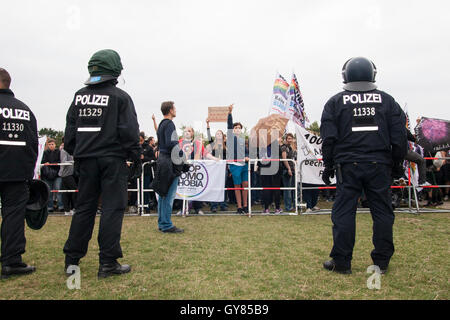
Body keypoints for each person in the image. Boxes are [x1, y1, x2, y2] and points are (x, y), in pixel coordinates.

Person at [320, 57, 407, 274]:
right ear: (373, 75)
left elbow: (328, 139)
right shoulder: (388, 101)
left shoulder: (335, 102)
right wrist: (397, 165)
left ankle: (341, 262)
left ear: (345, 76)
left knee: (344, 212)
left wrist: (328, 165)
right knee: (382, 212)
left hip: (348, 165)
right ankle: (382, 262)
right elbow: (399, 139)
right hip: (380, 165)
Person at [63, 49, 141, 278]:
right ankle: (107, 263)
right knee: (112, 208)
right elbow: (129, 132)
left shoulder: (79, 96)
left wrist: (81, 152)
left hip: (85, 160)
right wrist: (135, 157)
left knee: (84, 209)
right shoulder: (120, 97)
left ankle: (72, 261)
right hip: (112, 161)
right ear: (115, 69)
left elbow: (69, 135)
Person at [0, 68, 39, 279]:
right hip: (16, 172)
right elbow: (33, 144)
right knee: (14, 216)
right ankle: (11, 261)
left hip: (15, 170)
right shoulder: (25, 110)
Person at [151, 101, 185, 233]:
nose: (175, 110)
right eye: (174, 108)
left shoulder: (161, 124)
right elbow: (173, 144)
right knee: (169, 195)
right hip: (170, 162)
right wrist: (182, 157)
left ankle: (162, 222)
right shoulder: (170, 124)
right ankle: (166, 224)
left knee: (163, 194)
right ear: (170, 110)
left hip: (162, 161)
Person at [227, 104, 250, 214]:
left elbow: (246, 152)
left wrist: (247, 156)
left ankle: (245, 206)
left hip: (244, 165)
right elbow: (229, 125)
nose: (237, 129)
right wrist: (230, 113)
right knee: (237, 186)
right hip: (235, 165)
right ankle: (239, 207)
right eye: (236, 128)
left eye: (239, 128)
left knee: (245, 185)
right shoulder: (231, 138)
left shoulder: (242, 140)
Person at [206, 118, 229, 212]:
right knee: (214, 186)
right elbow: (208, 136)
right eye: (217, 133)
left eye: (220, 133)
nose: (218, 134)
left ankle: (223, 205)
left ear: (223, 136)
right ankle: (213, 206)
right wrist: (207, 124)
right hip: (215, 169)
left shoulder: (226, 146)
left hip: (224, 169)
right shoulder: (213, 144)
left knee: (223, 186)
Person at [41, 138, 64, 212]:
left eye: (52, 144)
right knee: (49, 191)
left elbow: (60, 161)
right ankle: (49, 207)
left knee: (58, 190)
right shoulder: (44, 152)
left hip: (57, 174)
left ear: (55, 144)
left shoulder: (59, 152)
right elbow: (42, 161)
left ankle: (61, 206)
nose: (51, 146)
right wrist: (45, 163)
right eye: (49, 144)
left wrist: (51, 164)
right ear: (47, 145)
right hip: (47, 175)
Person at [59, 137, 77, 216]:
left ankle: (68, 209)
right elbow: (63, 162)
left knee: (67, 192)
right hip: (66, 174)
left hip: (71, 173)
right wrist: (62, 174)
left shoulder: (72, 150)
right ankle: (71, 208)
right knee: (74, 190)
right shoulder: (64, 150)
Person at [281, 133, 296, 211]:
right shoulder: (284, 147)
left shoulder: (290, 147)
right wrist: (289, 169)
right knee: (288, 189)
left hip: (292, 170)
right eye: (288, 138)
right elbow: (284, 159)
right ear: (286, 139)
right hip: (286, 170)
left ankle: (292, 206)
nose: (290, 140)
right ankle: (288, 207)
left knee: (293, 189)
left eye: (291, 138)